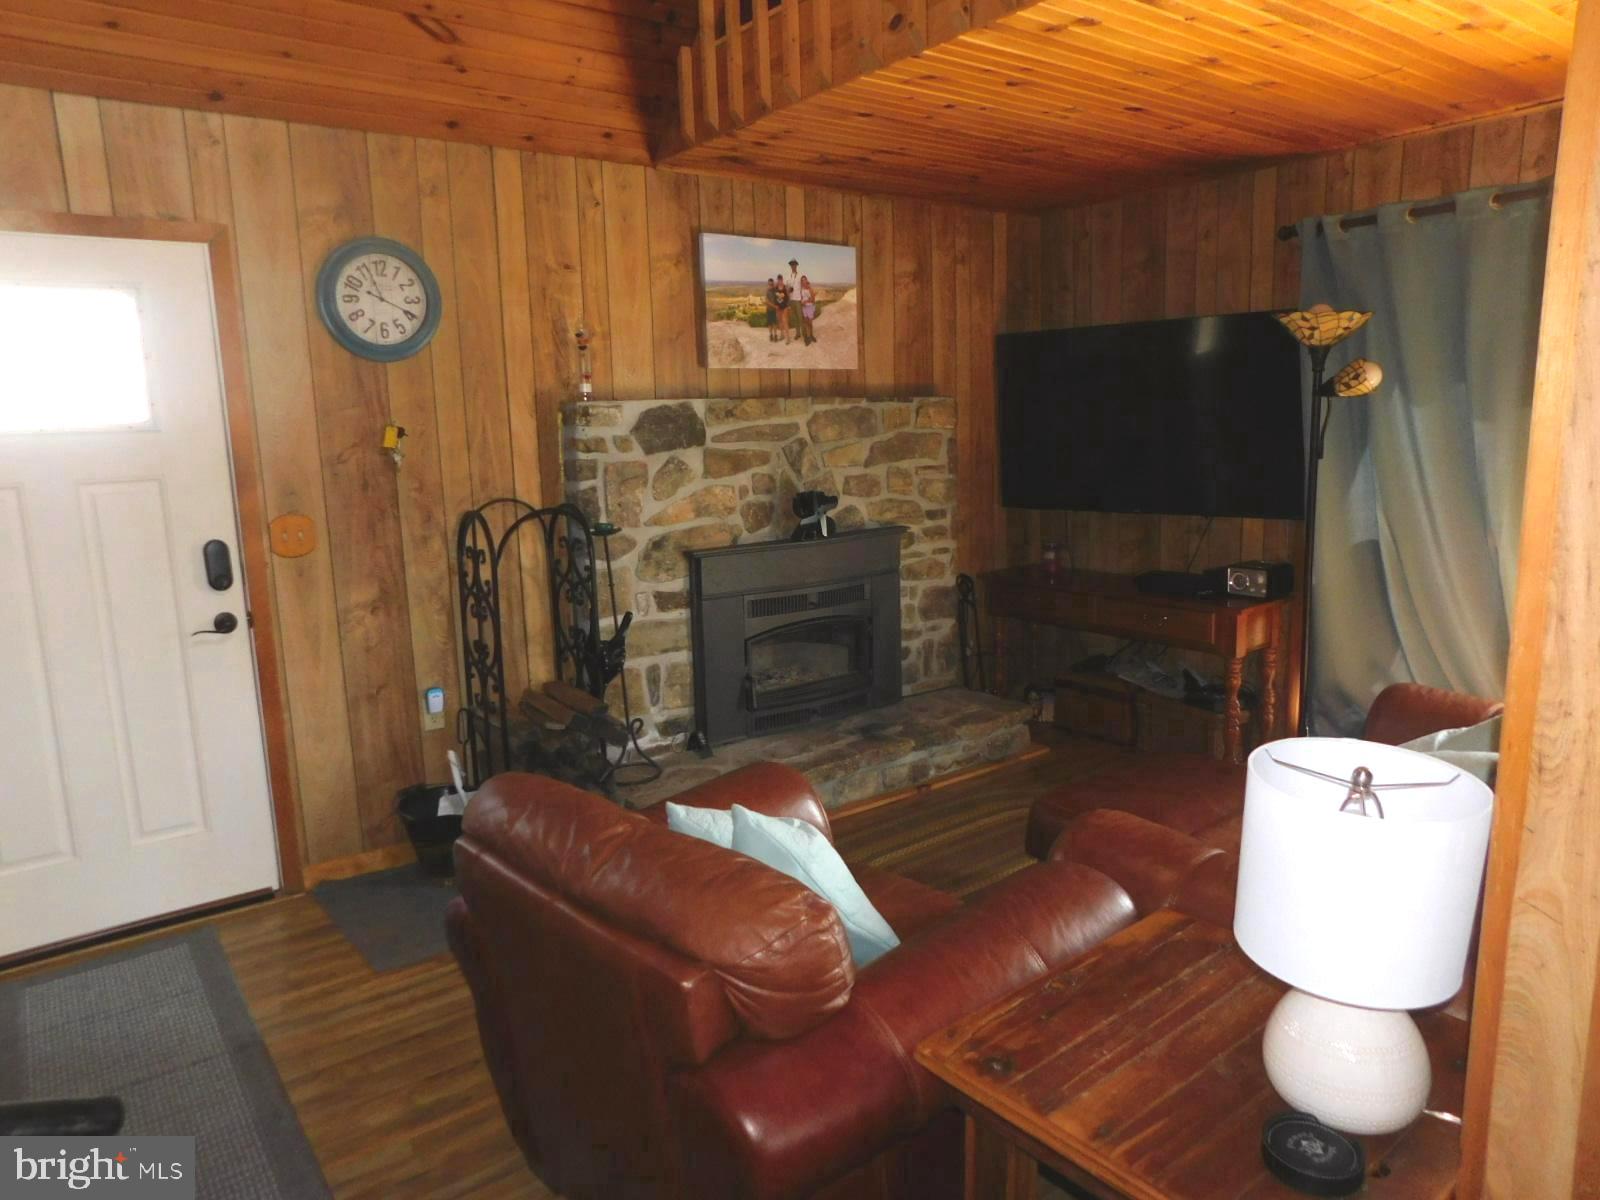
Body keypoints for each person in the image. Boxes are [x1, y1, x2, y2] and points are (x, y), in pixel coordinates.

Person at [798, 275, 817, 345]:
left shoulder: (810, 289)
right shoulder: (801, 290)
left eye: (804, 280)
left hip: (810, 307)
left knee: (810, 323)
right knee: (806, 323)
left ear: (806, 280)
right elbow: (800, 299)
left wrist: (806, 301)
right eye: (802, 280)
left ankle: (811, 335)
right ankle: (808, 337)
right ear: (801, 282)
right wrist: (802, 303)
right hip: (804, 308)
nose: (803, 281)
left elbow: (813, 299)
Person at [775, 270, 793, 343]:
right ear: (777, 280)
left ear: (782, 280)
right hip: (778, 307)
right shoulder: (776, 288)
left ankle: (788, 338)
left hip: (784, 306)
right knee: (780, 321)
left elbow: (788, 297)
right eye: (778, 279)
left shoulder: (785, 288)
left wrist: (788, 305)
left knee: (785, 321)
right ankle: (782, 335)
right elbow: (774, 297)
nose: (780, 281)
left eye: (781, 279)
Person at [763, 277, 779, 342]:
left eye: (772, 284)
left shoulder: (775, 290)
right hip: (769, 309)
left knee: (775, 323)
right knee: (770, 323)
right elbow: (767, 301)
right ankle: (771, 335)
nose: (771, 285)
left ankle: (775, 335)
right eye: (769, 284)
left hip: (774, 310)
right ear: (768, 284)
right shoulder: (767, 291)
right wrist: (774, 306)